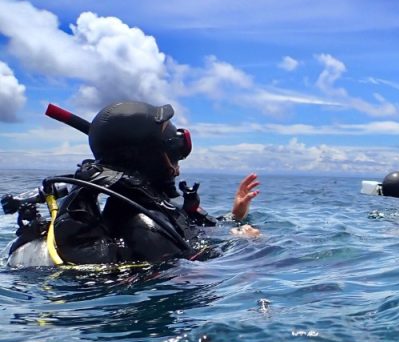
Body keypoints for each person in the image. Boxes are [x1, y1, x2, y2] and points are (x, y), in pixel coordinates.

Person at [13, 100, 260, 267]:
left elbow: (192, 231)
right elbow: (194, 275)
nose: (178, 161)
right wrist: (244, 246)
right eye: (173, 148)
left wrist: (234, 217)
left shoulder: (147, 209)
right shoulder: (144, 224)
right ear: (147, 156)